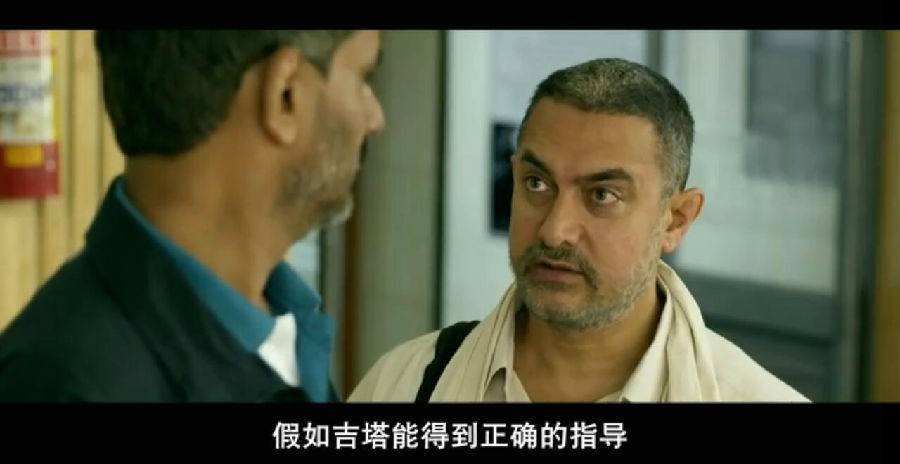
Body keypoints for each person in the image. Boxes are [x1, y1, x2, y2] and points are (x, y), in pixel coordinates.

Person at [350, 58, 806, 402]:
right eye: (537, 184)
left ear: (676, 219)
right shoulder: (404, 385)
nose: (554, 231)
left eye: (602, 195)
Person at [0, 30, 384, 402]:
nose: (375, 118)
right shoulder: (66, 384)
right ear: (284, 95)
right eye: (362, 78)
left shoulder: (279, 332)